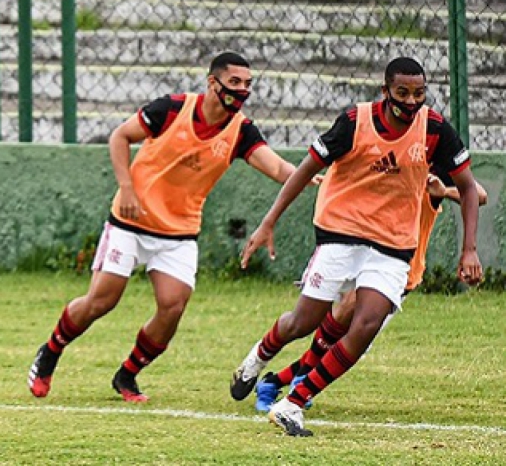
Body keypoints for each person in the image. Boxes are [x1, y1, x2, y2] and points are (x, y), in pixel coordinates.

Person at [28, 51, 311, 402]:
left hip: (178, 232)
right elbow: (120, 136)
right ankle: (51, 351)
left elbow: (278, 168)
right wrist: (127, 187)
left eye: (248, 84)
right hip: (130, 221)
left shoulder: (241, 131)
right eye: (234, 82)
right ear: (213, 82)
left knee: (173, 305)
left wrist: (314, 175)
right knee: (102, 300)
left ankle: (127, 376)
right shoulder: (172, 109)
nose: (242, 90)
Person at [231, 57, 482, 437]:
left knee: (366, 323)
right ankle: (256, 360)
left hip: (394, 244)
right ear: (386, 92)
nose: (411, 101)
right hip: (341, 232)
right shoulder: (354, 122)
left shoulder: (434, 129)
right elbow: (305, 169)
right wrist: (268, 222)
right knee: (304, 322)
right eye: (402, 92)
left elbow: (469, 188)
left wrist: (469, 249)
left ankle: (292, 403)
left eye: (419, 92)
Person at [253, 172, 488, 412]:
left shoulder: (435, 167)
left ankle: (276, 382)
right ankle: (295, 388)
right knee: (340, 325)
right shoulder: (389, 160)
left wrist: (442, 191)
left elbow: (479, 194)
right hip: (372, 262)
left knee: (352, 344)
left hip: (403, 273)